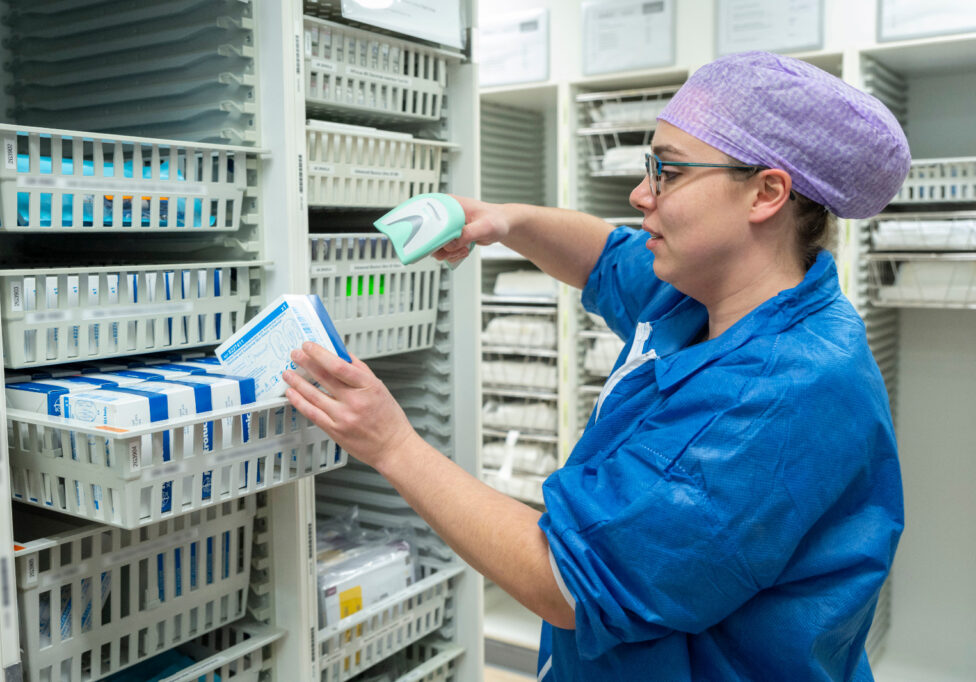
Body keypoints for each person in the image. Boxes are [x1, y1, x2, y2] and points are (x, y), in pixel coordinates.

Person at [283, 51, 908, 680]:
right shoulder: (709, 292)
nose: (641, 194)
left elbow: (565, 580)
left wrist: (391, 445)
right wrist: (505, 222)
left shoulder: (775, 392)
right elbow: (606, 257)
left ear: (766, 193)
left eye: (667, 171)